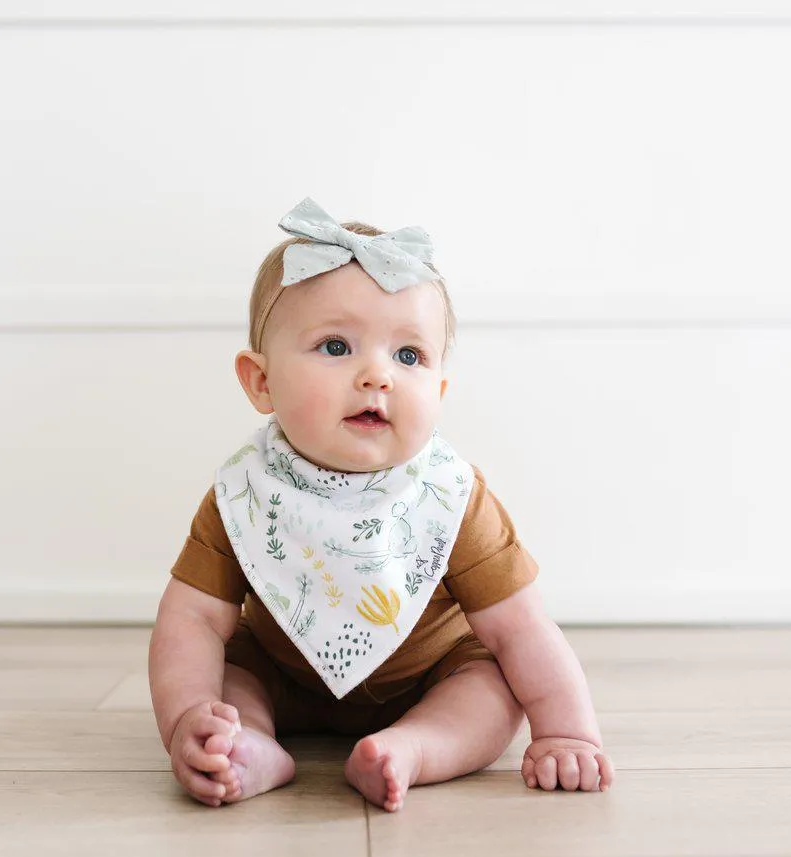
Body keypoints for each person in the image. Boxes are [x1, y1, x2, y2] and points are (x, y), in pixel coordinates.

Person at [148, 197, 614, 812]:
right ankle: (245, 744)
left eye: (409, 356)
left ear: (439, 391)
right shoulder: (245, 494)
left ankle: (413, 747)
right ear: (261, 381)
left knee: (493, 689)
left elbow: (521, 627)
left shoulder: (453, 495)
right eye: (337, 347)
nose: (378, 375)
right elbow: (195, 620)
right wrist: (187, 718)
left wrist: (566, 731)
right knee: (232, 680)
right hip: (284, 674)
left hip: (427, 679)